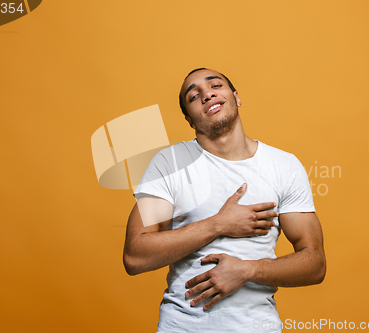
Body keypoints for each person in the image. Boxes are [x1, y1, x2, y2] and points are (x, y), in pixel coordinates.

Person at [123, 68, 326, 333]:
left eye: (215, 85)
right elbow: (135, 256)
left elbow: (315, 263)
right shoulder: (170, 163)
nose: (207, 94)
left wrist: (248, 270)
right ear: (189, 120)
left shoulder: (283, 166)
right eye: (193, 96)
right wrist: (218, 224)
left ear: (236, 97)